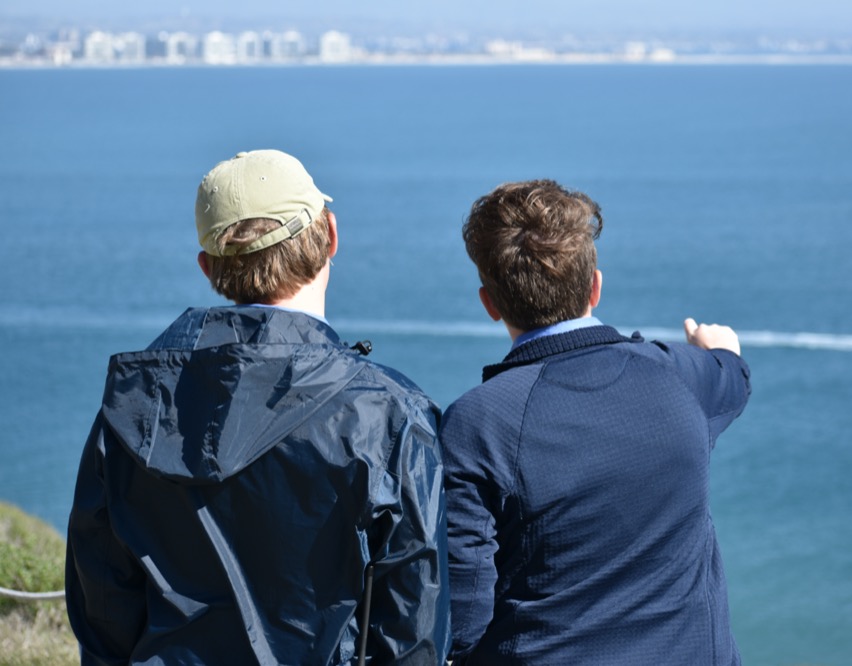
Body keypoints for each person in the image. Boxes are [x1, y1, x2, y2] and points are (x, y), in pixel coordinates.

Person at [65, 149, 450, 665]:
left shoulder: (131, 409)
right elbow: (413, 632)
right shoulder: (390, 417)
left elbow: (102, 611)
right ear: (331, 235)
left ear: (207, 267)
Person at [441, 179, 751, 665]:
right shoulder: (680, 378)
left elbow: (460, 622)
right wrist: (720, 350)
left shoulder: (478, 424)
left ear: (490, 303)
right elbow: (733, 375)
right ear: (594, 286)